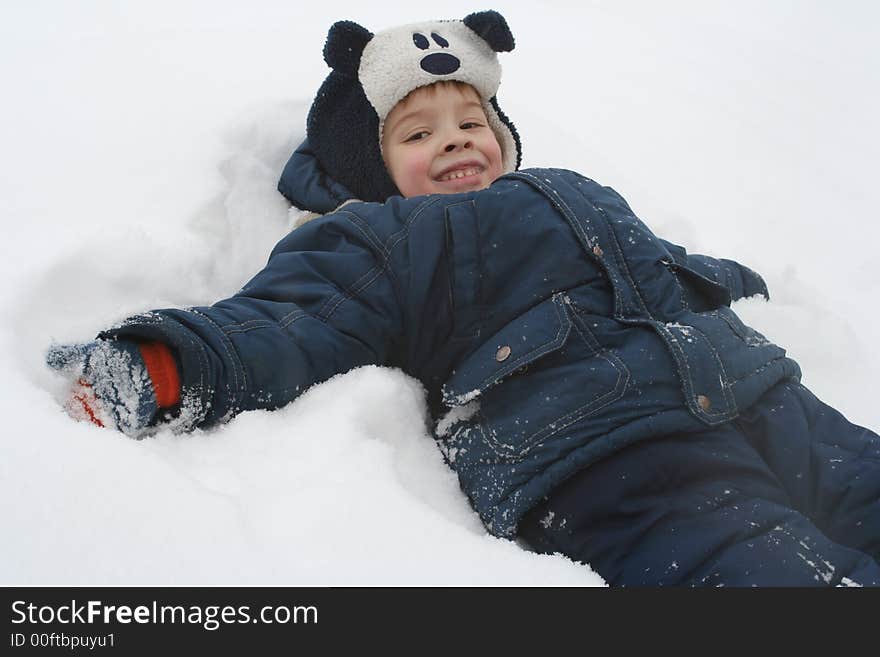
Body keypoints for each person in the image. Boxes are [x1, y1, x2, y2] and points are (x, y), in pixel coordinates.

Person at [46, 11, 880, 586]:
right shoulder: (388, 238)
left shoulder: (570, 191)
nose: (452, 138)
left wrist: (738, 287)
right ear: (376, 170)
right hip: (605, 451)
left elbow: (661, 264)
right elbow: (292, 316)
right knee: (760, 567)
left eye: (468, 119)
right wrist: (170, 361)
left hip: (759, 395)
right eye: (417, 132)